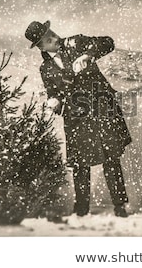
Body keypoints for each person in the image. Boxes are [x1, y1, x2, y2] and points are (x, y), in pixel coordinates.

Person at [25, 20, 132, 217]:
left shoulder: (77, 42)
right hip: (76, 117)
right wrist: (54, 101)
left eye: (51, 33)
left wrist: (88, 55)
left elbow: (108, 42)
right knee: (80, 165)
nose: (54, 38)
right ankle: (81, 209)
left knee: (111, 157)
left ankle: (121, 205)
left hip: (101, 109)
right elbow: (52, 92)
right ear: (40, 46)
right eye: (47, 39)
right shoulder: (45, 68)